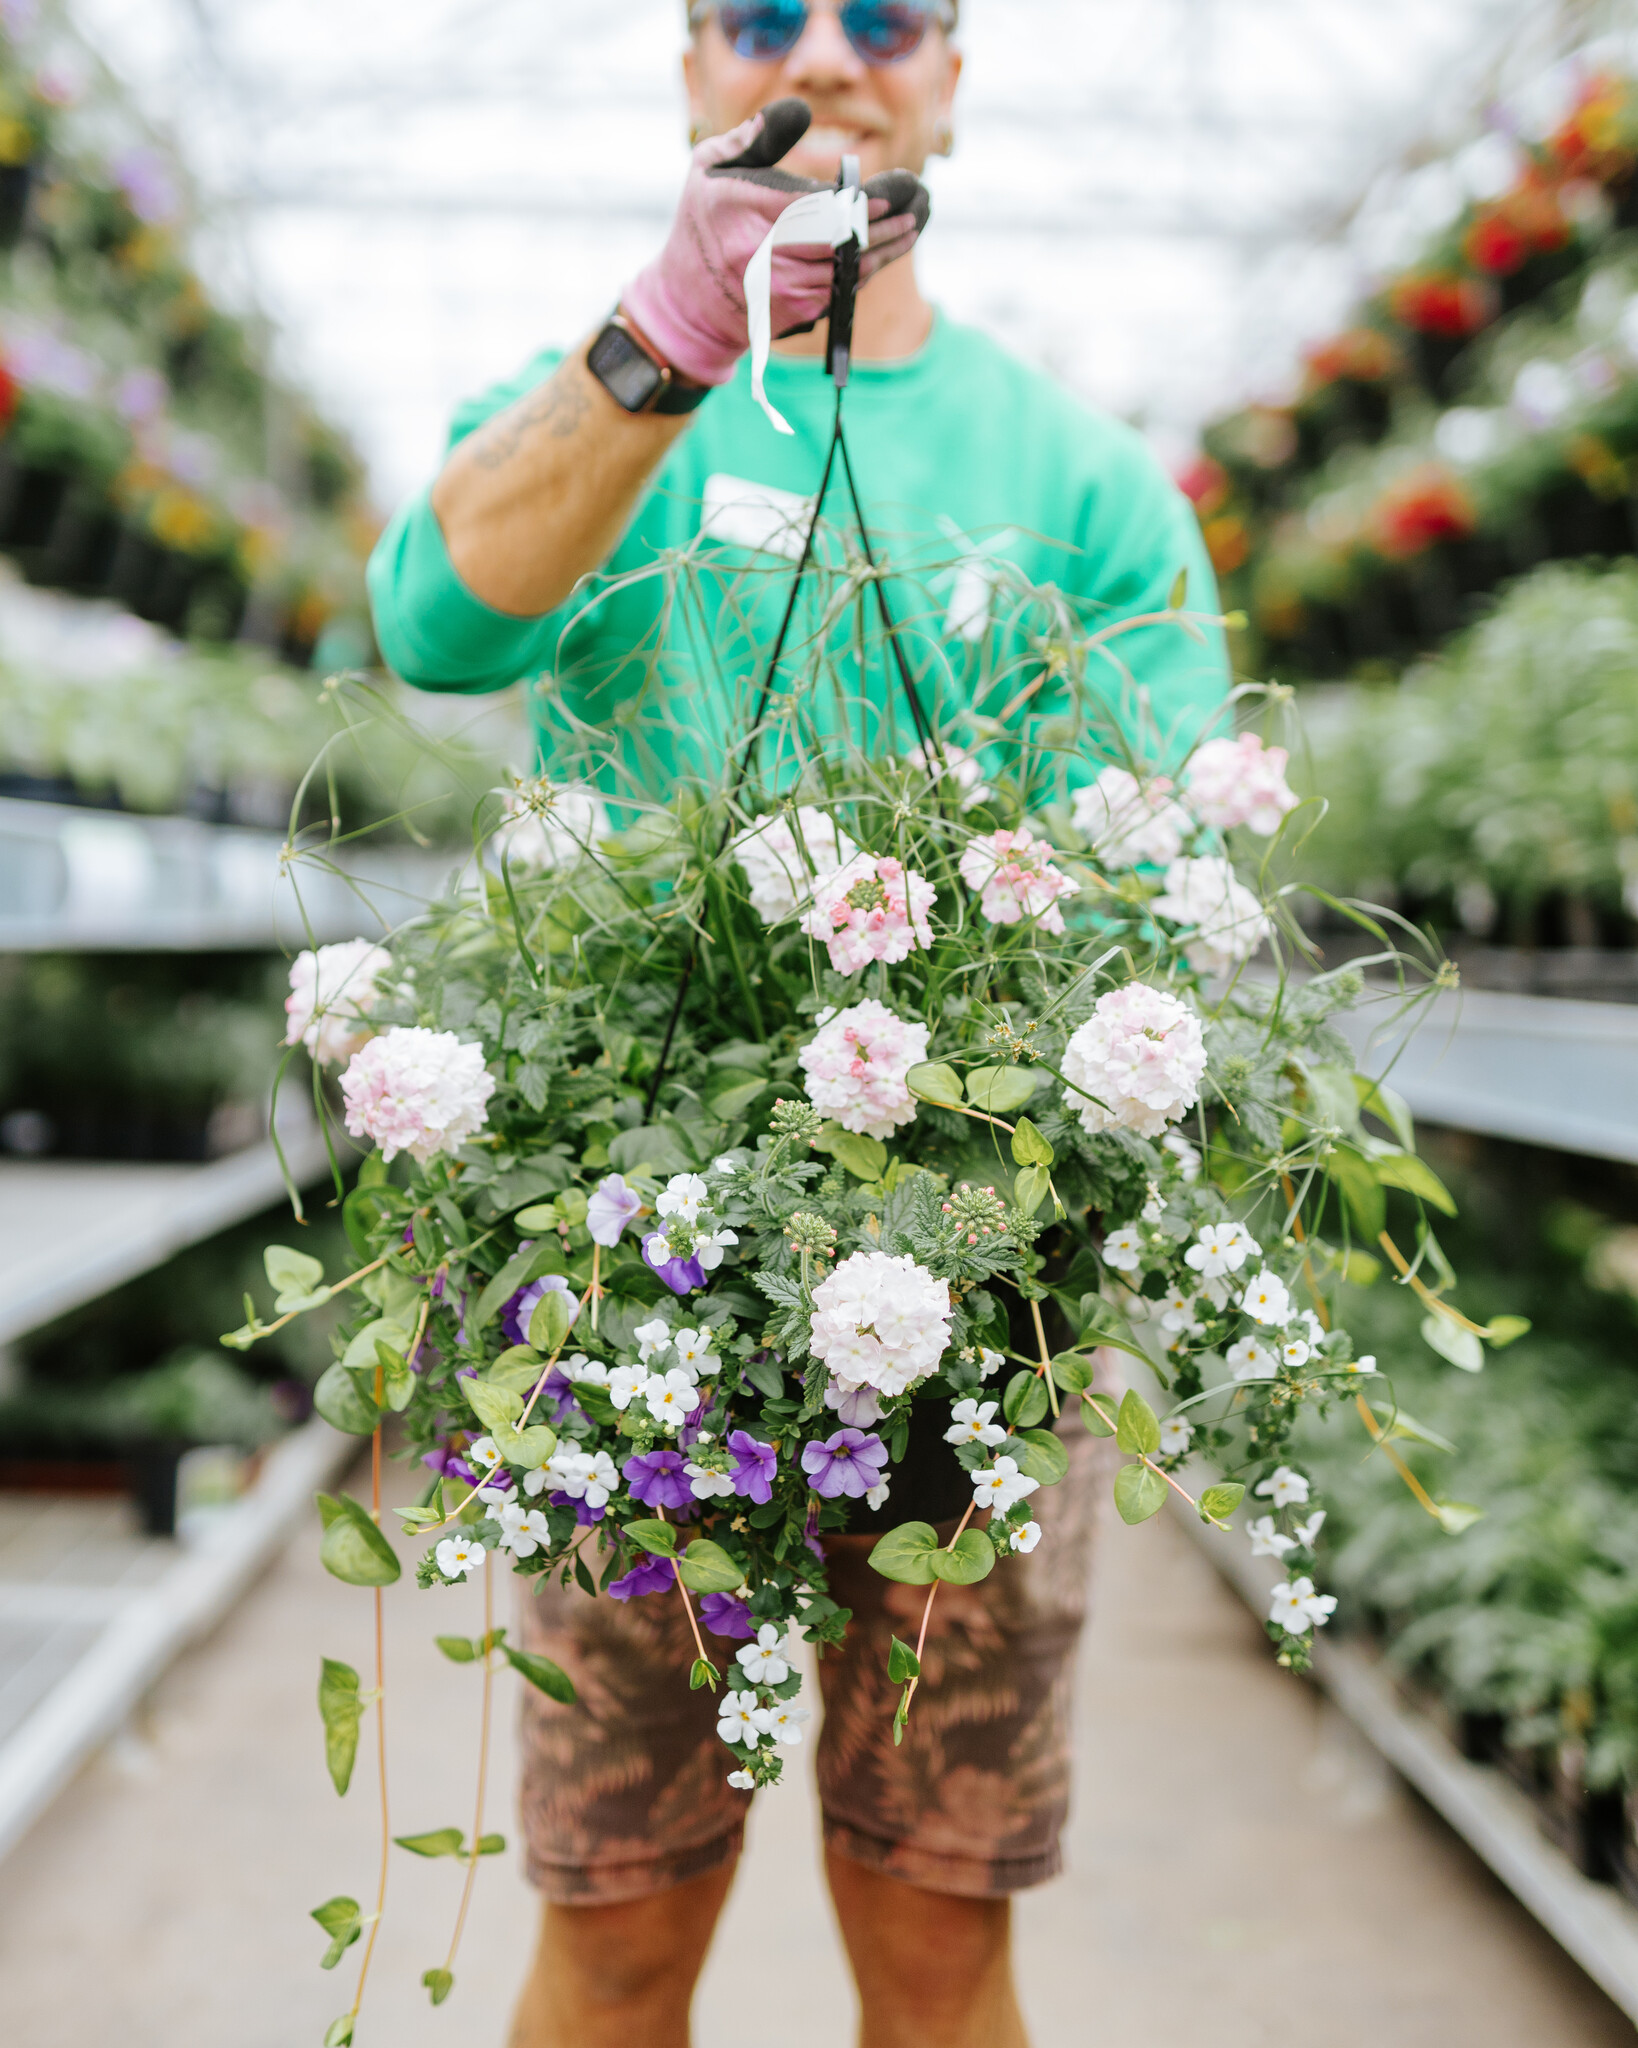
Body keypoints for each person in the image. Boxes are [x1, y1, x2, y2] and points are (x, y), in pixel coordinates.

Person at [367, 8, 1232, 2046]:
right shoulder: (612, 398)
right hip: (634, 1267)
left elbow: (1176, 865)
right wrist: (677, 325)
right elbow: (433, 624)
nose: (826, 51)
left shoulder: (1075, 475)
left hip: (988, 1276)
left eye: (884, 12)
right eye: (765, 13)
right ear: (692, 63)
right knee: (621, 1919)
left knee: (938, 1932)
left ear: (955, 65)